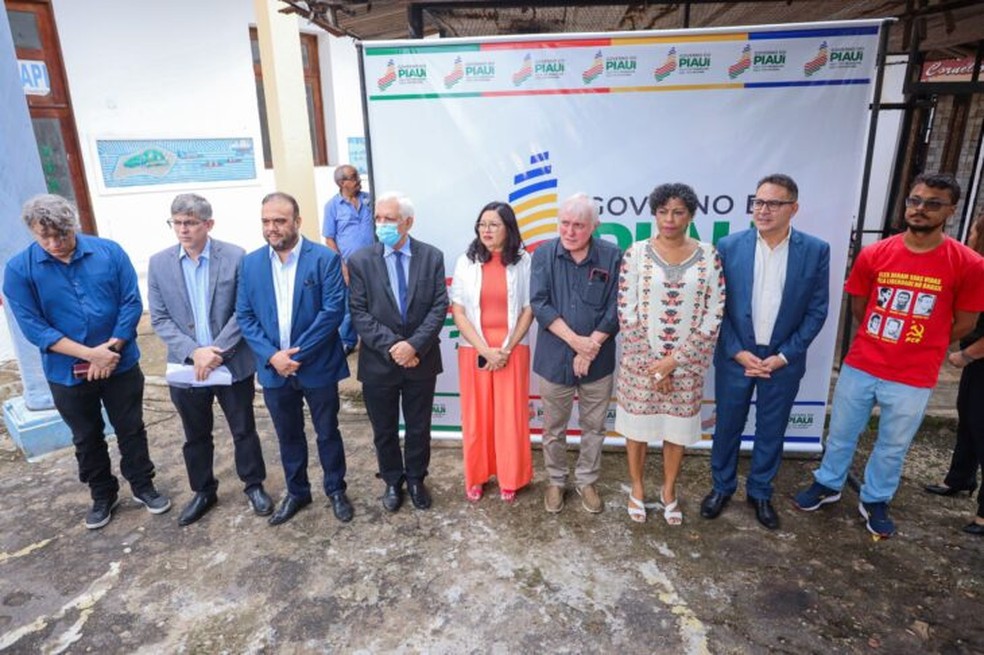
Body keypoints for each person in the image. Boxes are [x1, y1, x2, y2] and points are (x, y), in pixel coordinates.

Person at [794, 173, 984, 538]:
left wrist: (922, 342)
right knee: (842, 433)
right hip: (863, 363)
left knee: (893, 445)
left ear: (951, 210)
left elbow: (964, 323)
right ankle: (829, 484)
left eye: (932, 204)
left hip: (914, 374)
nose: (920, 209)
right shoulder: (876, 253)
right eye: (915, 200)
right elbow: (860, 306)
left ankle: (876, 499)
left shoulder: (967, 263)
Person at [3, 194, 170, 529]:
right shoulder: (19, 270)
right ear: (33, 232)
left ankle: (142, 484)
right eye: (44, 236)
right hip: (66, 372)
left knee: (131, 428)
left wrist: (112, 349)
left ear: (73, 227)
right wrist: (90, 355)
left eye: (61, 235)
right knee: (85, 435)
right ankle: (102, 494)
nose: (53, 243)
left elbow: (130, 302)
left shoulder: (108, 252)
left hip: (119, 363)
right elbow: (34, 327)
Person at [700, 174, 830, 530]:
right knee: (727, 426)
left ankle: (760, 492)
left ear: (794, 208)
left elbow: (817, 310)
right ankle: (721, 487)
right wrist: (737, 351)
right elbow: (715, 307)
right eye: (758, 202)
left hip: (782, 361)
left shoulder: (816, 250)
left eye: (774, 203)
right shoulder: (728, 246)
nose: (763, 210)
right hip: (736, 356)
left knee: (771, 430)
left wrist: (784, 356)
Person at [148, 193, 272, 526]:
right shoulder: (159, 263)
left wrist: (215, 351)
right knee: (195, 434)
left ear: (208, 224)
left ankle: (253, 485)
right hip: (186, 367)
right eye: (177, 222)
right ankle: (203, 490)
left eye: (190, 222)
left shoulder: (234, 257)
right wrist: (194, 351)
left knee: (243, 428)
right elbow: (159, 318)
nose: (183, 229)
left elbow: (243, 310)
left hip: (230, 362)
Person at [236, 191, 353, 526]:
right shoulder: (251, 263)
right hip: (275, 370)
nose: (272, 228)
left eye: (279, 221)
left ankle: (335, 489)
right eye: (266, 221)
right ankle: (297, 492)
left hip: (317, 366)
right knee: (288, 435)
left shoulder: (324, 259)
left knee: (327, 431)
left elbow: (332, 312)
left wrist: (295, 355)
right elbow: (245, 316)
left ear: (297, 222)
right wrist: (273, 357)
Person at [616, 183, 724, 525]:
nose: (669, 219)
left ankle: (668, 490)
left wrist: (674, 363)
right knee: (637, 430)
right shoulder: (635, 253)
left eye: (678, 212)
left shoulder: (709, 256)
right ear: (654, 214)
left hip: (686, 367)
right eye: (662, 211)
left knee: (676, 433)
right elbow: (626, 311)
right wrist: (655, 368)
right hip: (641, 366)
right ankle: (636, 487)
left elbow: (715, 311)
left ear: (691, 215)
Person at [347, 192, 448, 512]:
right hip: (379, 362)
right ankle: (392, 480)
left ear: (408, 222)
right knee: (384, 428)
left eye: (388, 219)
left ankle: (416, 478)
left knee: (419, 427)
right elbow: (359, 312)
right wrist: (395, 347)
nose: (381, 225)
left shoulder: (431, 256)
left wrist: (414, 345)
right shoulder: (361, 260)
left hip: (421, 358)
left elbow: (438, 306)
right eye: (378, 218)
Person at [530, 192, 621, 514]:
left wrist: (590, 345)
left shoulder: (612, 256)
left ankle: (586, 481)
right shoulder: (543, 255)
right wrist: (576, 343)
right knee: (553, 428)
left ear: (594, 226)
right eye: (564, 224)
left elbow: (617, 307)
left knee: (594, 426)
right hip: (554, 360)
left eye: (578, 226)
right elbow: (540, 304)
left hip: (598, 361)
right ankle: (556, 481)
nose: (569, 232)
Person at [449, 201, 534, 503]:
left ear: (508, 229)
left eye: (493, 224)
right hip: (475, 349)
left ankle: (510, 477)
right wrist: (485, 350)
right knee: (477, 417)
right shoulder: (466, 261)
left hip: (512, 349)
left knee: (510, 417)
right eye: (482, 224)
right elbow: (458, 311)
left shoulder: (523, 261)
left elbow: (528, 309)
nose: (486, 229)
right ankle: (478, 477)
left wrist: (505, 349)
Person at [924, 213, 984, 536]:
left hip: (978, 359)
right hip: (977, 365)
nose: (969, 235)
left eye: (974, 229)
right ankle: (959, 479)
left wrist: (965, 354)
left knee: (981, 426)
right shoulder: (977, 270)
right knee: (969, 420)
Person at [323, 165, 373, 354]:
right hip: (349, 265)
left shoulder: (369, 199)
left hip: (374, 262)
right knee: (350, 305)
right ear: (341, 183)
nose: (359, 180)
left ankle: (371, 339)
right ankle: (347, 341)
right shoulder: (332, 206)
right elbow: (329, 238)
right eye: (354, 177)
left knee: (376, 302)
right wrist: (342, 266)